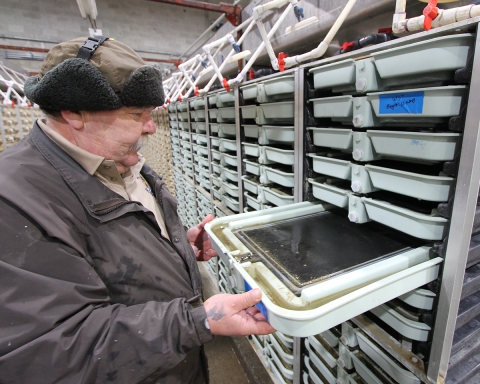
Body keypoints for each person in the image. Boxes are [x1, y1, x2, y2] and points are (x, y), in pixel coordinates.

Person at [0, 36, 274, 384]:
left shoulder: (120, 160)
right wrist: (199, 321)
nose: (151, 126)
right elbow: (51, 352)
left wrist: (176, 250)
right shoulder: (14, 200)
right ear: (74, 113)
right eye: (136, 115)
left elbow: (111, 252)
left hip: (172, 365)